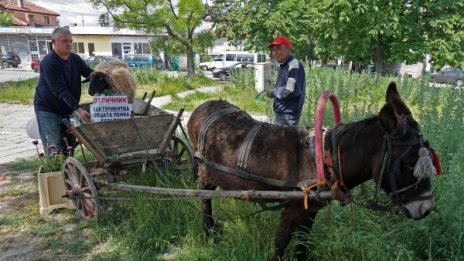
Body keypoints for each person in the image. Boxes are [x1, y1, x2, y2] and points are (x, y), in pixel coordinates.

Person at [34, 27, 93, 154]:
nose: (69, 44)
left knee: (69, 145)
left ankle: (68, 171)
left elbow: (90, 74)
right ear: (53, 43)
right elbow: (60, 90)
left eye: (71, 41)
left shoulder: (75, 59)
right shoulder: (49, 62)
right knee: (55, 147)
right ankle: (55, 172)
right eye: (64, 41)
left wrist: (107, 77)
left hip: (67, 108)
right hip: (49, 109)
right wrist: (79, 109)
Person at [266, 36, 306, 126]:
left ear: (289, 49)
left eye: (279, 49)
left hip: (287, 117)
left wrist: (273, 92)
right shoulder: (285, 65)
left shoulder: (293, 65)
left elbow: (290, 90)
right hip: (284, 114)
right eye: (273, 50)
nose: (275, 53)